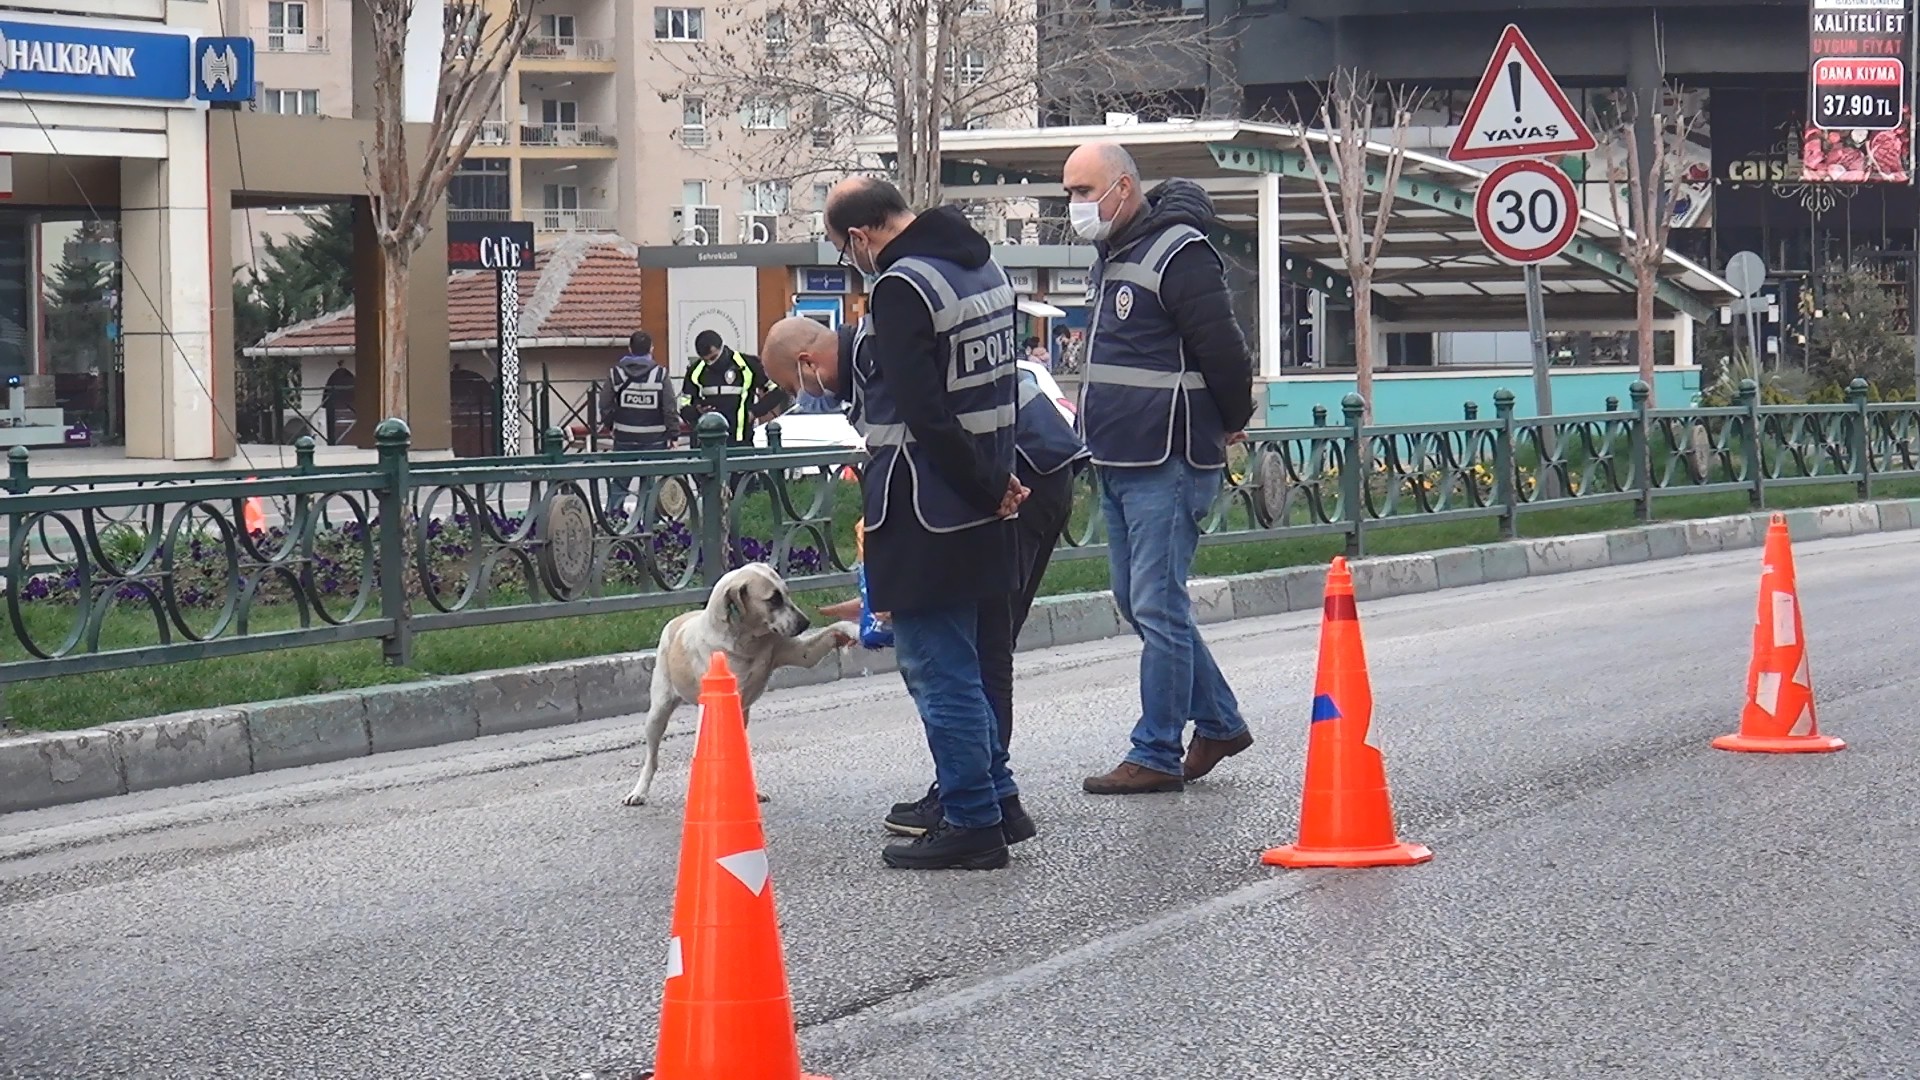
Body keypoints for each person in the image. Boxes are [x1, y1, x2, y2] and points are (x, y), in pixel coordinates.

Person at [762, 315, 1087, 838]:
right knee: (982, 639)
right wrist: (880, 591)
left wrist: (899, 585)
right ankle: (986, 792)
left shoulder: (880, 351)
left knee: (978, 644)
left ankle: (977, 797)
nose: (803, 395)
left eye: (792, 385)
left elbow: (921, 452)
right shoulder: (877, 342)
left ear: (807, 363)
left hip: (1016, 475)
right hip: (1033, 466)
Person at [820, 175, 1029, 870]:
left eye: (846, 251)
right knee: (977, 656)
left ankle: (972, 819)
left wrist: (981, 485)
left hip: (924, 503)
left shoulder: (902, 287)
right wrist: (998, 482)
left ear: (859, 236)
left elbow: (923, 411)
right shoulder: (985, 268)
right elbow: (999, 384)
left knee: (941, 668)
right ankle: (999, 797)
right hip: (988, 495)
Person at [1063, 140, 1258, 795]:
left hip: (1167, 456)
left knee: (1157, 604)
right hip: (1118, 455)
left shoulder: (1180, 253)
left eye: (1084, 191)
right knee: (1138, 600)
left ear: (1123, 188)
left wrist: (1234, 418)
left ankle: (1155, 750)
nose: (1076, 206)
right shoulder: (1113, 253)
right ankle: (1222, 723)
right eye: (1069, 192)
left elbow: (1223, 350)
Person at [599, 331, 675, 512]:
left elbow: (604, 403)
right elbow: (669, 407)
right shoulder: (660, 374)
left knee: (619, 482)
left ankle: (613, 520)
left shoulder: (616, 373)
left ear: (630, 349)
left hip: (624, 437)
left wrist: (610, 425)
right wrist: (673, 434)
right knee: (652, 484)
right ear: (651, 349)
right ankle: (651, 525)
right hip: (655, 439)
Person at [679, 329, 789, 448]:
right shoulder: (695, 371)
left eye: (714, 357)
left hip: (741, 440)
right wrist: (697, 411)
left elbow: (778, 391)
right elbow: (684, 406)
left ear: (722, 347)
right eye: (706, 360)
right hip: (706, 443)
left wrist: (754, 412)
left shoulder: (747, 364)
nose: (711, 363)